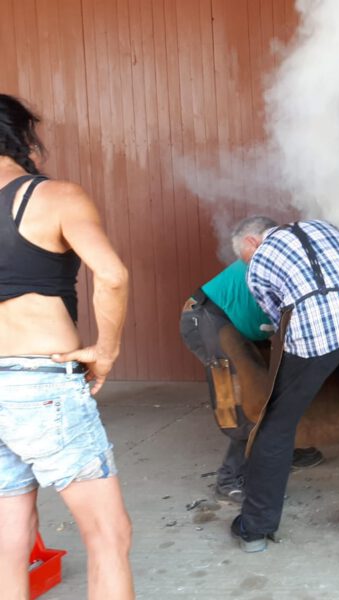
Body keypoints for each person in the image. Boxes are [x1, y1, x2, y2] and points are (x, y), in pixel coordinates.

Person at [0, 94, 133, 599]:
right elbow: (112, 275)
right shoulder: (54, 197)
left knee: (8, 538)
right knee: (108, 535)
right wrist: (106, 350)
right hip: (40, 385)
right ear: (21, 136)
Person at [230, 217, 339, 554]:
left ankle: (255, 528)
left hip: (314, 331)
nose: (246, 263)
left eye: (243, 257)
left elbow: (281, 321)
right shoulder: (325, 226)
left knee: (277, 427)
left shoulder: (260, 262)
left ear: (252, 242)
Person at [179, 217, 324, 504]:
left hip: (241, 328)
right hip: (208, 321)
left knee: (277, 386)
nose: (245, 263)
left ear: (252, 242)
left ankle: (287, 446)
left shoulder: (282, 256)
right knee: (243, 399)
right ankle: (230, 478)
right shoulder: (277, 258)